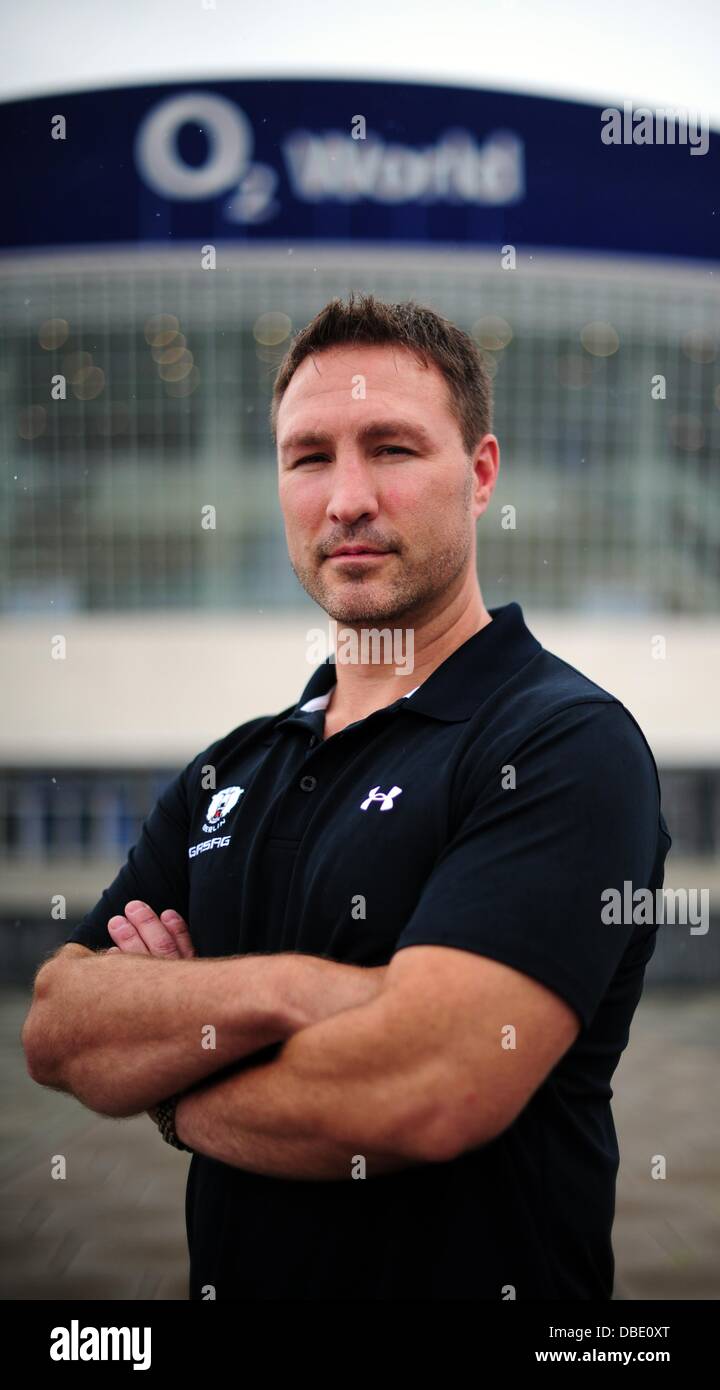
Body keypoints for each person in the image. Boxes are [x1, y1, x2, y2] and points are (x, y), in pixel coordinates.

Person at [22, 292, 672, 1300]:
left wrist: (173, 1071)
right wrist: (306, 995)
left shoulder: (562, 743)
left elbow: (428, 1087)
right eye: (309, 456)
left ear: (482, 473)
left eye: (393, 449)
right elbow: (60, 1023)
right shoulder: (230, 769)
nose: (348, 498)